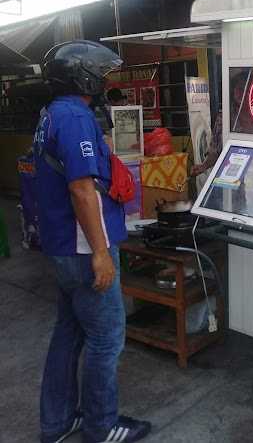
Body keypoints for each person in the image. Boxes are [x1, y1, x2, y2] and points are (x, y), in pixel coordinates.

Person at [33, 40, 152, 443]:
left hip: (63, 248)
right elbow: (83, 190)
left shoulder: (51, 115)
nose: (104, 82)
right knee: (107, 339)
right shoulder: (75, 117)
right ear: (81, 75)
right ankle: (101, 427)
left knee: (69, 332)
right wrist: (101, 254)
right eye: (100, 75)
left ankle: (58, 421)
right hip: (84, 250)